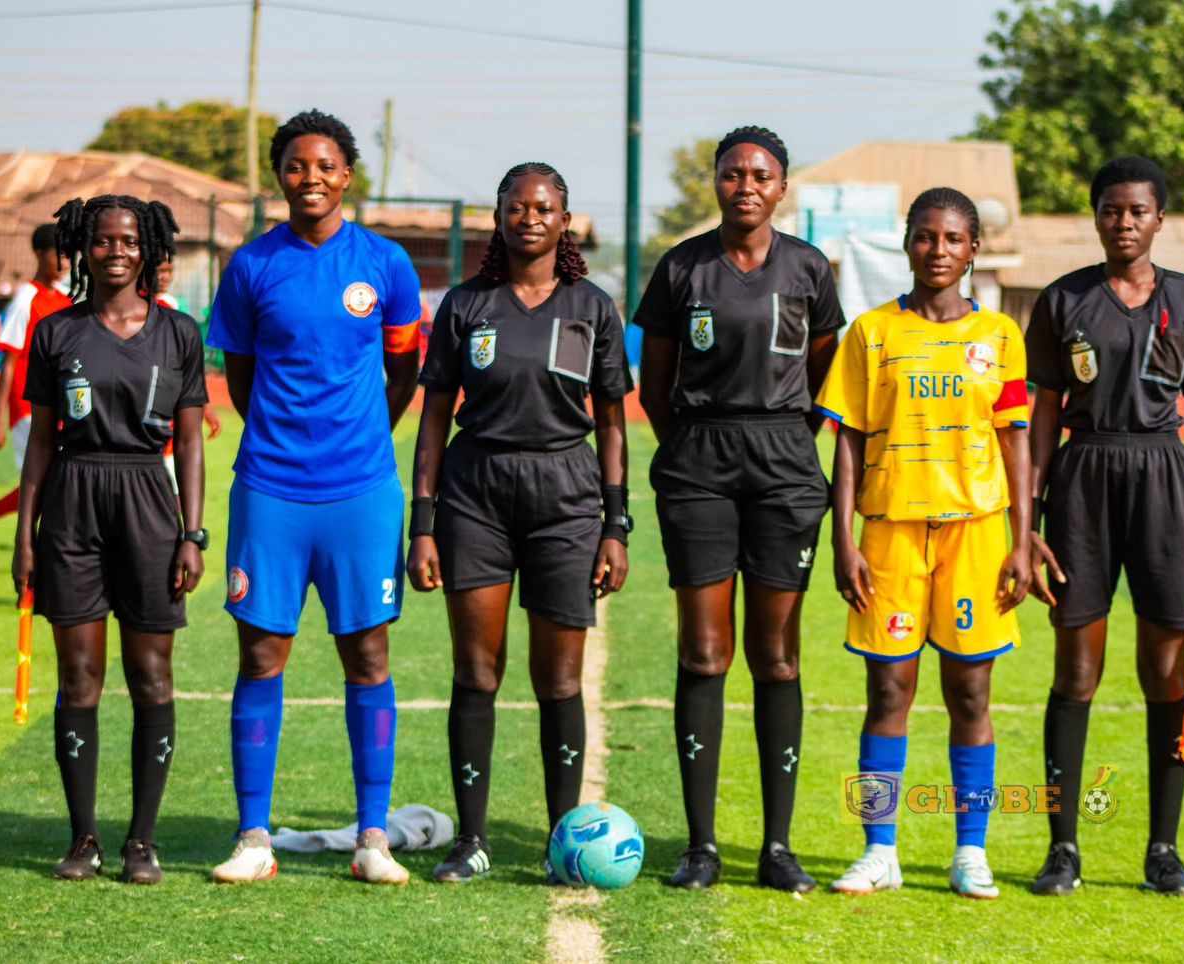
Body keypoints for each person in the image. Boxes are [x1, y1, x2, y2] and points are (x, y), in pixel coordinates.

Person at [206, 110, 422, 885]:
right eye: (296, 165)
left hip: (362, 489)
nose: (311, 178)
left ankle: (374, 836)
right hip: (270, 487)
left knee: (367, 653)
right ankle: (254, 837)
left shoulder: (387, 263)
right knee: (263, 651)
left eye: (325, 165)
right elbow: (237, 374)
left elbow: (404, 369)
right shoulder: (251, 265)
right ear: (280, 176)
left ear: (347, 174)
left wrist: (366, 433)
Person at [409, 162, 631, 883]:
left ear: (565, 220)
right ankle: (470, 839)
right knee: (476, 670)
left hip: (566, 495)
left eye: (544, 208)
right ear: (498, 216)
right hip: (476, 493)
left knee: (557, 681)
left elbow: (612, 424)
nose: (530, 217)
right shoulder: (466, 305)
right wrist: (423, 523)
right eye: (517, 206)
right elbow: (435, 417)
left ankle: (559, 839)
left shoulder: (593, 307)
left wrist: (615, 525)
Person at [636, 126, 842, 892]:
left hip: (785, 465)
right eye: (732, 174)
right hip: (699, 464)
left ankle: (777, 848)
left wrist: (786, 441)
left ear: (782, 186)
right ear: (715, 184)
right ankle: (701, 846)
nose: (745, 185)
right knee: (703, 653)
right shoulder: (682, 267)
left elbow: (824, 376)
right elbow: (655, 383)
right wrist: (693, 448)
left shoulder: (809, 268)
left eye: (760, 174)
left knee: (778, 655)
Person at [1026, 157, 1184, 898]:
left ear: (1158, 219)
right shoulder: (1062, 301)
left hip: (1166, 485)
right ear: (1096, 215)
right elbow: (1044, 414)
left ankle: (1163, 849)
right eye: (1112, 210)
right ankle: (1062, 849)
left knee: (1164, 675)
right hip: (1082, 481)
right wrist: (1029, 519)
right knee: (1075, 673)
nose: (1124, 222)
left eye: (1138, 211)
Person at [817, 188, 1033, 900]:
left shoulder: (1000, 335)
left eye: (953, 239)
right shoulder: (871, 334)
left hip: (975, 535)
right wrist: (844, 539)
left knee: (971, 693)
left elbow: (1015, 444)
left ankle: (971, 852)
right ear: (907, 243)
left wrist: (1024, 540)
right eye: (925, 237)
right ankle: (879, 849)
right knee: (887, 690)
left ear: (974, 249)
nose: (938, 251)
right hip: (890, 535)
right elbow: (847, 441)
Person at [12, 195, 207, 883]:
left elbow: (189, 443)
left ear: (148, 249)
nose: (115, 251)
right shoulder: (56, 333)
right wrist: (27, 533)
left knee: (151, 676)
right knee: (80, 678)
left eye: (128, 240)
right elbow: (40, 441)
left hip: (150, 506)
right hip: (72, 502)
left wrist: (193, 533)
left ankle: (142, 842)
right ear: (81, 248)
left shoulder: (178, 333)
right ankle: (84, 838)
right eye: (102, 240)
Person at [0, 224, 72, 560]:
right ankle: (39, 554)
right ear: (39, 253)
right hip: (27, 402)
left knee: (54, 477)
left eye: (68, 253)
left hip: (59, 402)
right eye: (57, 253)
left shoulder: (66, 300)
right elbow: (9, 360)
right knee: (44, 477)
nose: (64, 261)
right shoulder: (26, 298)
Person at [153, 259, 221, 489]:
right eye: (160, 271)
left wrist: (205, 405)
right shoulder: (130, 307)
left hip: (167, 408)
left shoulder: (170, 306)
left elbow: (187, 361)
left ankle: (182, 526)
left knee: (175, 487)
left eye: (169, 271)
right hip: (140, 413)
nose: (165, 277)